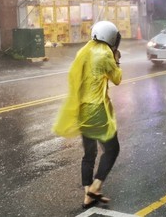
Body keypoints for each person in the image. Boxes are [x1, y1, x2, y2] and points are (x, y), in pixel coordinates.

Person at [52, 20, 122, 209]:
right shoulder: (106, 54)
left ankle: (87, 197)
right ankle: (96, 188)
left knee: (89, 154)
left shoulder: (84, 51)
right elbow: (117, 79)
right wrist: (116, 59)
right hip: (96, 110)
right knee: (112, 149)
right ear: (110, 37)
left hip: (82, 109)